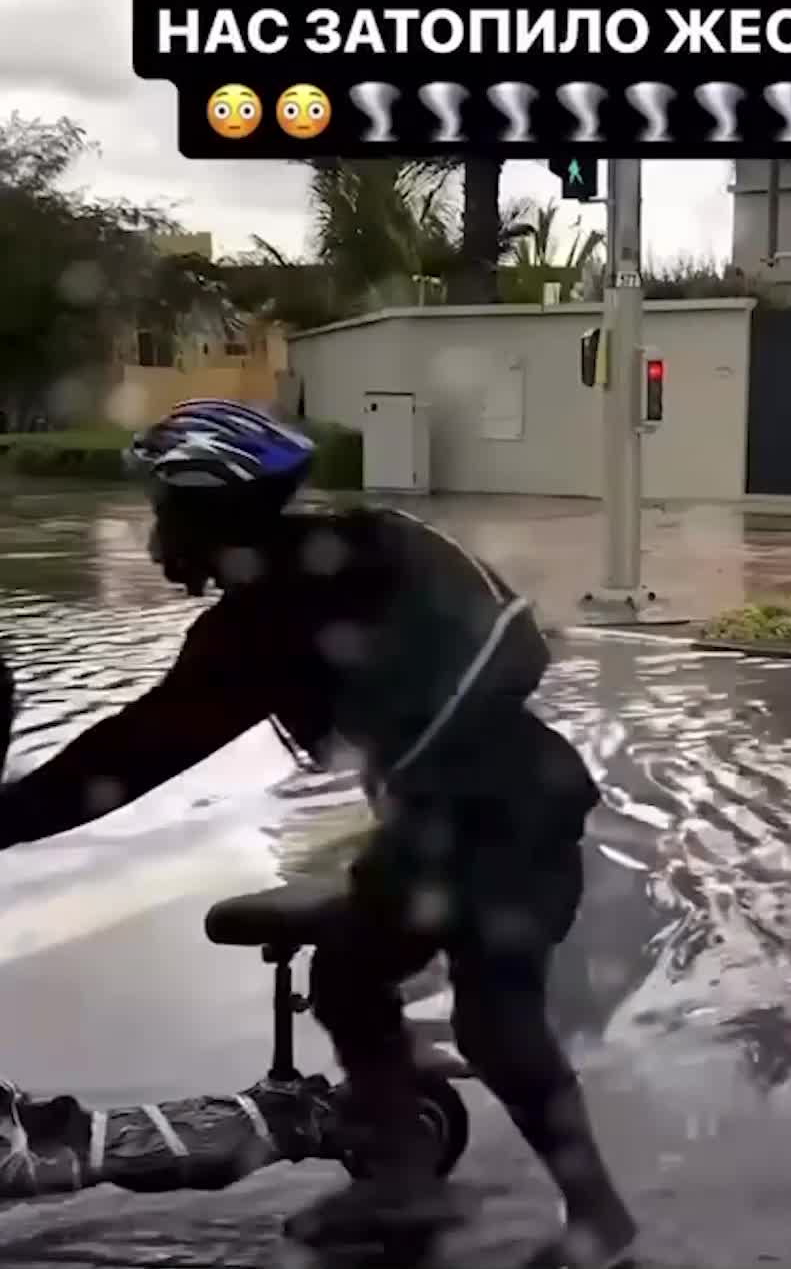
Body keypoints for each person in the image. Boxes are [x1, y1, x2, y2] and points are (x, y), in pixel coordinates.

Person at [0, 399, 636, 1268]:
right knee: (347, 974)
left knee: (497, 1020)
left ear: (211, 509)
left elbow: (133, 753)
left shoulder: (288, 602)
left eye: (165, 510)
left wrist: (8, 821)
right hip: (453, 815)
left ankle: (598, 1223)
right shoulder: (336, 561)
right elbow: (136, 747)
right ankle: (404, 1184)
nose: (156, 536)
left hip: (501, 815)